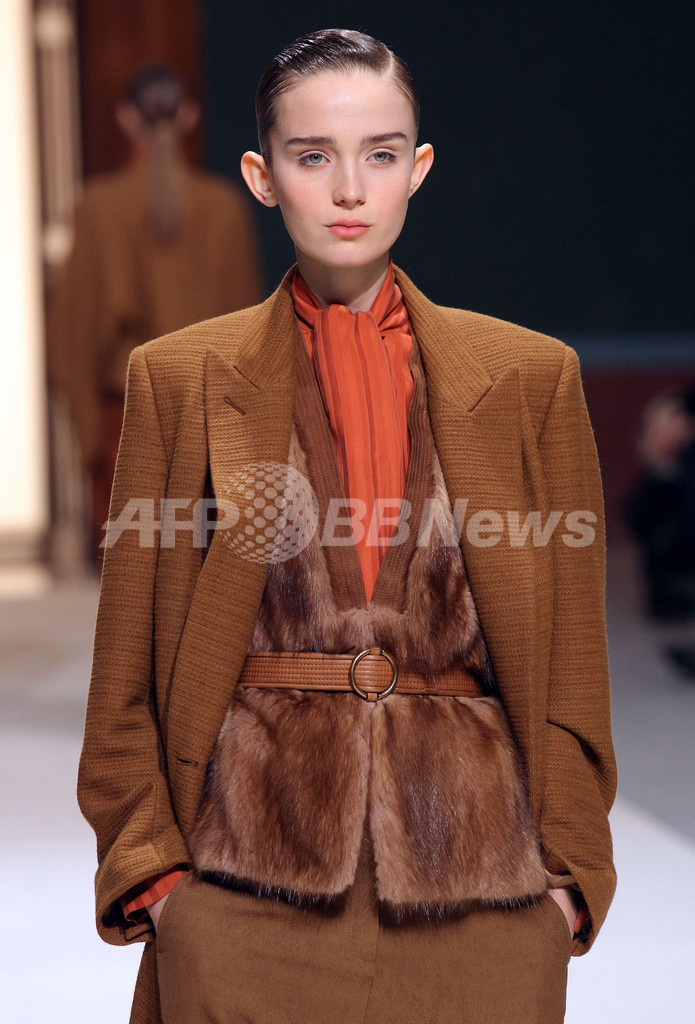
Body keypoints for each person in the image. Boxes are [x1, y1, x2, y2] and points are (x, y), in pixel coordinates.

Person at [77, 30, 617, 1024]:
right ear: (262, 175)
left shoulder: (528, 378)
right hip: (243, 895)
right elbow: (124, 675)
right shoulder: (178, 379)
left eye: (379, 153)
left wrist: (566, 885)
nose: (349, 188)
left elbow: (574, 665)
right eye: (312, 155)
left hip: (482, 904)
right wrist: (155, 877)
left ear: (418, 168)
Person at [47, 63, 263, 559]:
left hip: (124, 424)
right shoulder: (224, 208)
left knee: (130, 579)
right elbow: (252, 332)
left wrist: (87, 435)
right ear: (188, 116)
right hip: (209, 422)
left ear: (126, 117)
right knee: (203, 575)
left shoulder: (98, 207)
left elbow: (72, 335)